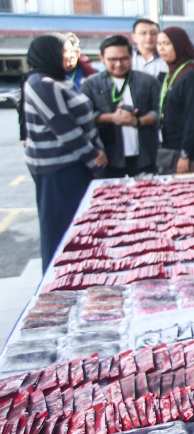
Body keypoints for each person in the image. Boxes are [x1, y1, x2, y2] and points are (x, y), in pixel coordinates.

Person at [22, 34, 107, 271]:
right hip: (59, 169)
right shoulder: (40, 82)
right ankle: (58, 283)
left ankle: (78, 274)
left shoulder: (60, 79)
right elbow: (63, 126)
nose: (70, 55)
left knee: (79, 227)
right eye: (65, 51)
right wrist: (93, 156)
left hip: (76, 164)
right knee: (60, 229)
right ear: (50, 53)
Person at [81, 35, 160, 177]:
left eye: (124, 59)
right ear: (101, 58)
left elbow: (159, 112)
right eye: (112, 59)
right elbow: (83, 118)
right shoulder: (90, 84)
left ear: (131, 56)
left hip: (145, 154)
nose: (118, 64)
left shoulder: (148, 81)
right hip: (109, 156)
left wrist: (137, 121)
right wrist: (110, 117)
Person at [156, 26, 194, 174]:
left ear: (179, 44)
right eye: (159, 44)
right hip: (171, 148)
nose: (162, 48)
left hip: (191, 153)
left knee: (189, 195)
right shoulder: (169, 75)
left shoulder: (190, 76)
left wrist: (185, 154)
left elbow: (193, 119)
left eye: (167, 44)